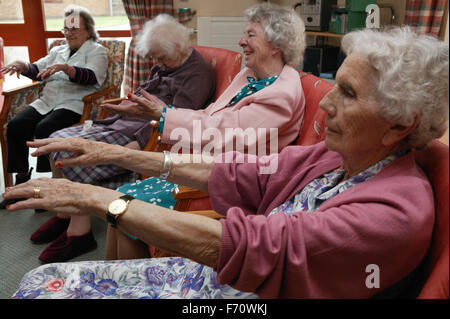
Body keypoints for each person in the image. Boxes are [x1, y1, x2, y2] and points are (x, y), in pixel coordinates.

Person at [4, 26, 448, 299]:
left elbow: (257, 243)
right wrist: (117, 154)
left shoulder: (393, 212)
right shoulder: (342, 156)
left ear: (399, 126)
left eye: (347, 92)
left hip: (239, 291)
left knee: (44, 288)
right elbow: (242, 172)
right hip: (218, 277)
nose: (327, 101)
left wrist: (100, 199)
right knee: (43, 282)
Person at [29, 3, 307, 263]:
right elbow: (210, 116)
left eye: (250, 34)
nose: (241, 41)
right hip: (204, 162)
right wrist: (162, 114)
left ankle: (123, 279)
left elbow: (222, 135)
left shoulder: (280, 95)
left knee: (125, 206)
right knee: (119, 204)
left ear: (276, 45)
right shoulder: (250, 77)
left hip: (229, 182)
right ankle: (112, 278)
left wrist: (163, 117)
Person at [27, 13, 217, 263]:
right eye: (155, 57)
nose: (157, 62)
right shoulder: (169, 60)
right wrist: (126, 104)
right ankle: (66, 214)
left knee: (71, 153)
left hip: (142, 133)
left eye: (160, 57)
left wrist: (137, 144)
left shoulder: (197, 75)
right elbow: (146, 91)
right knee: (55, 139)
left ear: (180, 47)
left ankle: (79, 231)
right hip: (124, 122)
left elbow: (175, 121)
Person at [0, 5, 108, 208]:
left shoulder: (97, 51)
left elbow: (92, 77)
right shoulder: (58, 49)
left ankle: (46, 183)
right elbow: (38, 70)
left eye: (73, 29)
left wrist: (67, 68)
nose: (68, 33)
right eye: (65, 29)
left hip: (74, 103)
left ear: (88, 30)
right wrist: (23, 67)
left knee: (44, 129)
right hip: (47, 101)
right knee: (17, 124)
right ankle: (23, 178)